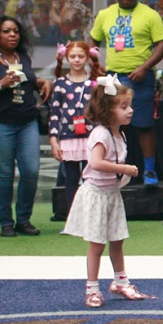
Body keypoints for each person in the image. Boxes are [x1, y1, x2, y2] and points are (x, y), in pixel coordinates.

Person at [64, 76, 155, 308]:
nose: (130, 111)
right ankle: (92, 289)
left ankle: (121, 281)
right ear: (107, 110)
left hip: (112, 195)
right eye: (123, 106)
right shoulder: (102, 134)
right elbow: (95, 162)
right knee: (97, 244)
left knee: (117, 240)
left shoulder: (119, 134)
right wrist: (124, 169)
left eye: (130, 105)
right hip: (97, 196)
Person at [0, 16, 51, 237]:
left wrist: (43, 82)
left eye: (15, 31)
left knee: (31, 171)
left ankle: (24, 220)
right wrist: (0, 84)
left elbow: (29, 80)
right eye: (6, 31)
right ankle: (6, 222)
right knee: (5, 172)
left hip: (26, 120)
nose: (12, 35)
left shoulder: (21, 56)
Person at [88, 0, 163, 186]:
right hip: (113, 77)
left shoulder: (149, 15)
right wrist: (95, 62)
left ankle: (149, 171)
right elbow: (93, 41)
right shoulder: (105, 15)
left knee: (144, 125)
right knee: (111, 124)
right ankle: (115, 167)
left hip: (140, 77)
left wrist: (144, 67)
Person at [49, 41, 103, 221]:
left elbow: (101, 112)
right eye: (72, 56)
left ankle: (92, 218)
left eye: (81, 56)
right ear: (66, 58)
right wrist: (53, 140)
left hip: (91, 136)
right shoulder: (59, 84)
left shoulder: (95, 84)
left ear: (88, 57)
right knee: (71, 179)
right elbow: (55, 113)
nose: (77, 60)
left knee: (92, 178)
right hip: (68, 137)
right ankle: (73, 220)